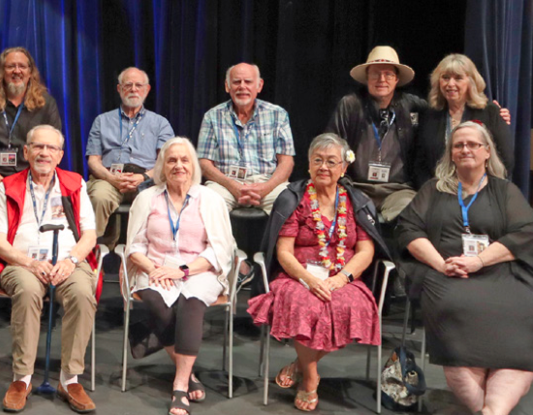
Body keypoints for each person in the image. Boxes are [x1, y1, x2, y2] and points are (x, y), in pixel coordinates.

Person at [396, 121, 533, 415]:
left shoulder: (504, 191)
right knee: (456, 311)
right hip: (447, 277)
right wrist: (441, 263)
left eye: (472, 144)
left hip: (500, 273)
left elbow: (525, 233)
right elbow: (408, 230)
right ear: (451, 154)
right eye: (458, 145)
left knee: (520, 316)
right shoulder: (434, 189)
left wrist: (479, 260)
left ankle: (492, 411)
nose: (465, 149)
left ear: (487, 152)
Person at [247, 133, 387, 412]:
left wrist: (340, 278)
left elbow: (365, 252)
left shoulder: (355, 201)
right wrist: (309, 280)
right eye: (317, 160)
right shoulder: (293, 199)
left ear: (343, 168)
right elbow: (284, 252)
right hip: (297, 276)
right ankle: (310, 378)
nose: (324, 167)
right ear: (309, 165)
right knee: (305, 305)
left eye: (331, 161)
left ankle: (300, 365)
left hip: (343, 277)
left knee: (348, 304)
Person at [0, 125, 97, 413]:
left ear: (60, 155)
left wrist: (70, 261)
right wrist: (30, 263)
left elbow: (90, 235)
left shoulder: (75, 183)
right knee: (26, 291)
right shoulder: (8, 185)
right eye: (38, 146)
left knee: (83, 294)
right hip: (22, 262)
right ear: (26, 151)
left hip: (67, 261)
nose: (44, 153)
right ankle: (21, 378)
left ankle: (70, 378)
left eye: (51, 148)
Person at [125, 137, 235, 415]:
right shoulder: (146, 198)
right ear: (162, 166)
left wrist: (182, 271)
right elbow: (134, 246)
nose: (178, 165)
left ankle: (178, 385)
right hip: (154, 267)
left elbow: (220, 248)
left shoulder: (210, 199)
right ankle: (189, 374)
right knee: (156, 304)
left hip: (198, 269)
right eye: (172, 160)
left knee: (191, 304)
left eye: (184, 160)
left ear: (193, 165)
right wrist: (154, 269)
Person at [0, 47, 63, 242]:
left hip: (34, 176)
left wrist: (30, 179)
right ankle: (0, 252)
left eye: (22, 66)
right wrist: (2, 181)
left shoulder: (46, 103)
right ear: (2, 71)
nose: (16, 71)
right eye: (11, 66)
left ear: (30, 72)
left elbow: (54, 145)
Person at [326, 46, 422, 222]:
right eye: (375, 73)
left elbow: (443, 115)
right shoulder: (350, 105)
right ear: (366, 78)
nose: (381, 79)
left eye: (388, 74)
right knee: (347, 211)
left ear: (397, 79)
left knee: (412, 211)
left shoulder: (413, 107)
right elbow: (331, 147)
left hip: (398, 190)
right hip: (356, 187)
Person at [87, 66, 174, 249]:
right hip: (109, 178)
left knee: (164, 200)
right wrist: (112, 178)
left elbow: (166, 161)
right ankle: (92, 252)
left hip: (147, 179)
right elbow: (93, 161)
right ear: (119, 89)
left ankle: (152, 254)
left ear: (147, 90)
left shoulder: (160, 123)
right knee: (99, 197)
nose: (133, 89)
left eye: (138, 85)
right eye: (128, 85)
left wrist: (143, 177)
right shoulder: (102, 121)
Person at [197, 63, 295, 214]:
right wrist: (233, 186)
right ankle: (222, 240)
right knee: (208, 201)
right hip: (225, 183)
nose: (242, 87)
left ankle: (274, 239)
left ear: (259, 85)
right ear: (227, 86)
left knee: (288, 201)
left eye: (248, 82)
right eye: (236, 82)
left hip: (267, 182)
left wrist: (266, 187)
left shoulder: (277, 114)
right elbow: (204, 163)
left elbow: (286, 162)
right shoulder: (212, 116)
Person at [411, 54, 514, 189]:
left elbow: (506, 160)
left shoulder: (490, 112)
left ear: (471, 82)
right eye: (445, 78)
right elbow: (420, 164)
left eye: (458, 78)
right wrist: (430, 192)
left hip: (482, 193)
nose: (450, 84)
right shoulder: (430, 115)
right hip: (438, 193)